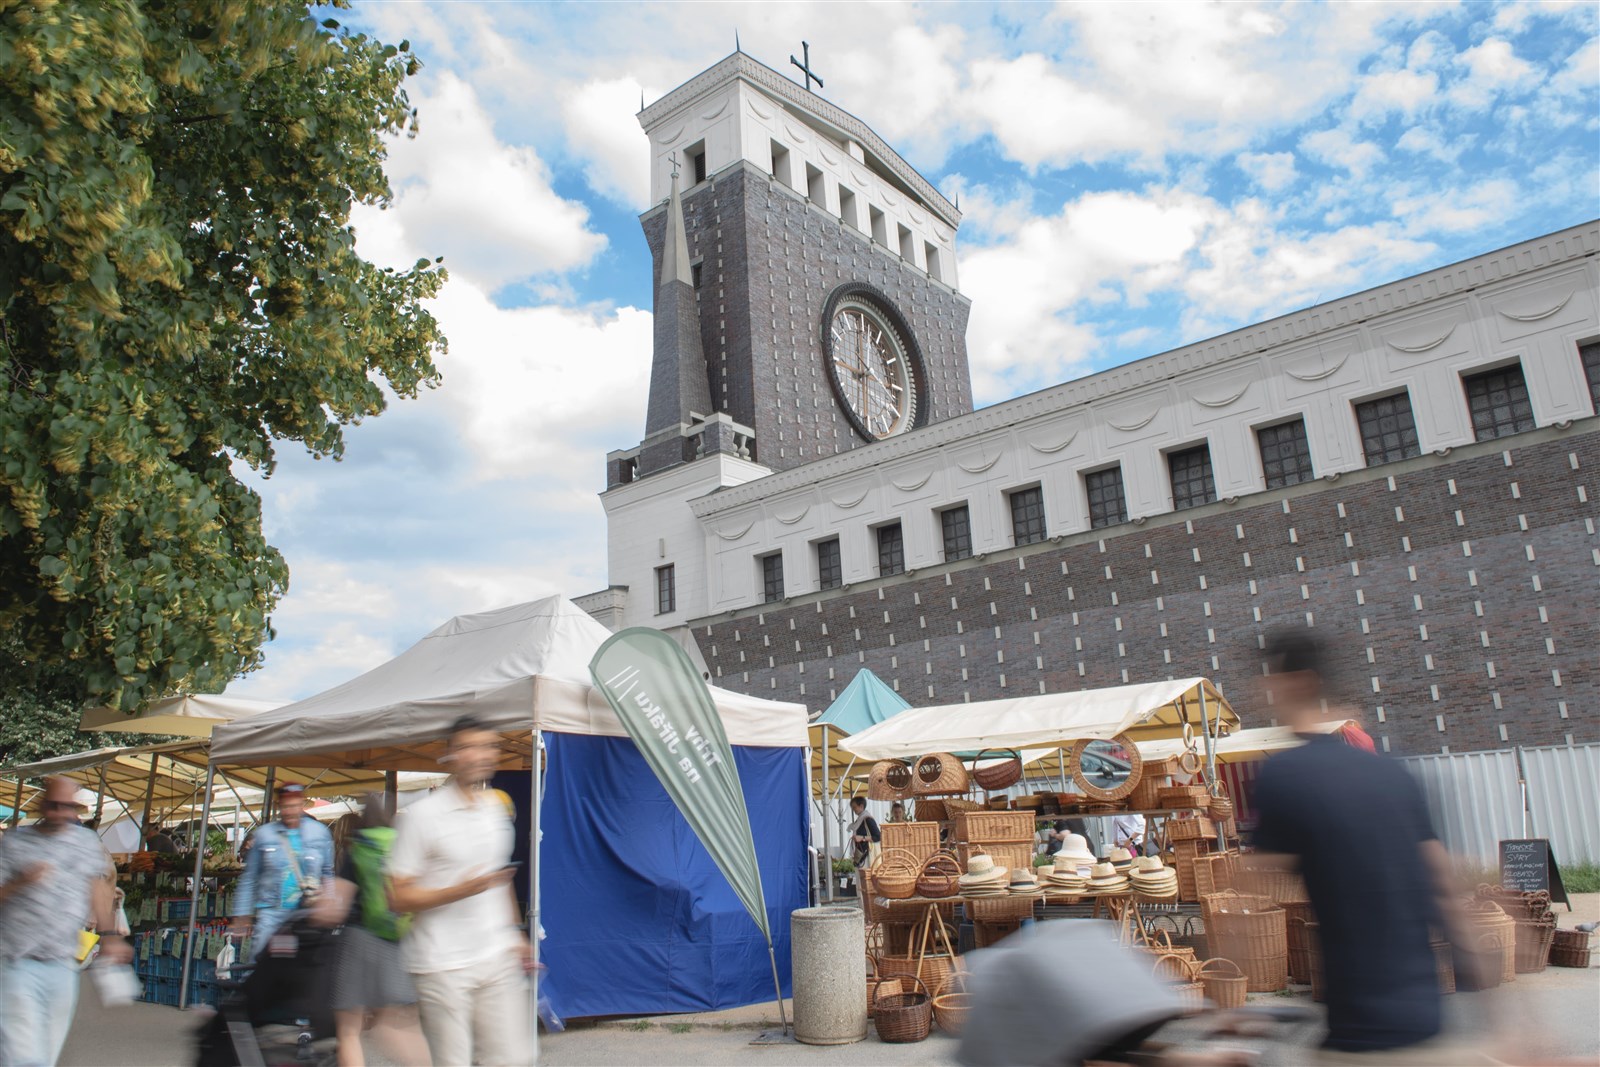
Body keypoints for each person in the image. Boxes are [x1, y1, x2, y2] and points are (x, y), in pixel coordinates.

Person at [1248, 631, 1486, 1065]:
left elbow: (1253, 877)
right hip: (1428, 1024)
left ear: (1299, 681)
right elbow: (1446, 893)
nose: (1266, 695)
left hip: (1360, 1035)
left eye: (1270, 681)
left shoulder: (1285, 776)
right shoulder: (1396, 774)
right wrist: (1508, 1016)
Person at [389, 716, 532, 1067]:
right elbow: (397, 897)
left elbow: (500, 880)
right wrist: (461, 889)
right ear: (449, 755)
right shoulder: (422, 816)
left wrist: (515, 935)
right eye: (468, 747)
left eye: (488, 746)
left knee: (514, 1059)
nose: (480, 755)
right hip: (441, 964)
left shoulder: (494, 811)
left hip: (495, 957)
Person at [0, 777, 131, 1066]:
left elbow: (97, 886)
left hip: (62, 961)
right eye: (54, 805)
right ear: (43, 805)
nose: (61, 813)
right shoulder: (15, 842)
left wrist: (110, 935)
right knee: (23, 1052)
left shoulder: (85, 842)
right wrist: (22, 881)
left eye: (67, 806)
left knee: (45, 1052)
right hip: (17, 959)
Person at [328, 795, 430, 1067]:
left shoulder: (358, 848)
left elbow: (337, 904)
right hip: (396, 941)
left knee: (348, 1030)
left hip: (357, 940)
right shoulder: (399, 845)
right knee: (400, 1025)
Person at [231, 783, 335, 957]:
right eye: (285, 807)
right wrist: (242, 915)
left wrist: (330, 903)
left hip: (307, 915)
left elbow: (327, 873)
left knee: (305, 967)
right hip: (272, 915)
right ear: (279, 807)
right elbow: (249, 878)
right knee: (260, 963)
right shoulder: (264, 835)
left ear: (302, 804)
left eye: (293, 806)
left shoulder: (320, 833)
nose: (289, 811)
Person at [847, 796, 880, 868]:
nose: (853, 810)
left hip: (867, 855)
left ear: (861, 806)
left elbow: (878, 836)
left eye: (854, 807)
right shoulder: (860, 820)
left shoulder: (868, 819)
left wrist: (862, 838)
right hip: (860, 854)